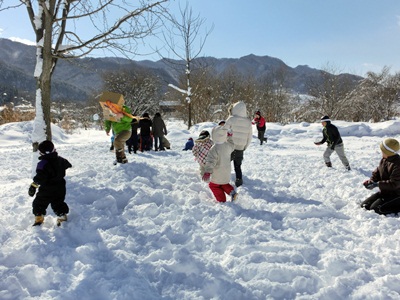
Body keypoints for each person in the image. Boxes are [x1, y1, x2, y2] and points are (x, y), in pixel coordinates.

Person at [28, 140, 72, 226]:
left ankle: (39, 218)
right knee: (58, 203)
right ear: (54, 149)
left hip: (46, 189)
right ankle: (62, 217)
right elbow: (68, 164)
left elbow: (40, 178)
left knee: (39, 203)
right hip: (60, 187)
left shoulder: (42, 164)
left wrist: (33, 186)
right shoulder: (61, 160)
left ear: (41, 153)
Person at [361, 138, 400, 215]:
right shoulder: (384, 159)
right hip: (385, 192)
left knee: (376, 209)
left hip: (396, 194)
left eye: (382, 150)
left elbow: (394, 184)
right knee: (365, 206)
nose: (381, 151)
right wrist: (371, 181)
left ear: (388, 152)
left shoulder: (398, 164)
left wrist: (378, 184)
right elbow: (377, 172)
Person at [202, 125, 238, 203]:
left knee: (213, 185)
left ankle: (222, 200)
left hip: (217, 173)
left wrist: (208, 171)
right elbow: (232, 145)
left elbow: (211, 161)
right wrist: (229, 137)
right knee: (224, 183)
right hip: (226, 172)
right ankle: (232, 192)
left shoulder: (214, 149)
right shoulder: (227, 146)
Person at [225, 101, 253, 187]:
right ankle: (239, 180)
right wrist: (244, 147)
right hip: (240, 147)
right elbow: (249, 137)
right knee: (238, 166)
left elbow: (224, 131)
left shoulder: (231, 119)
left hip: (230, 146)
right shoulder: (248, 122)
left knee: (225, 163)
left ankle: (224, 178)